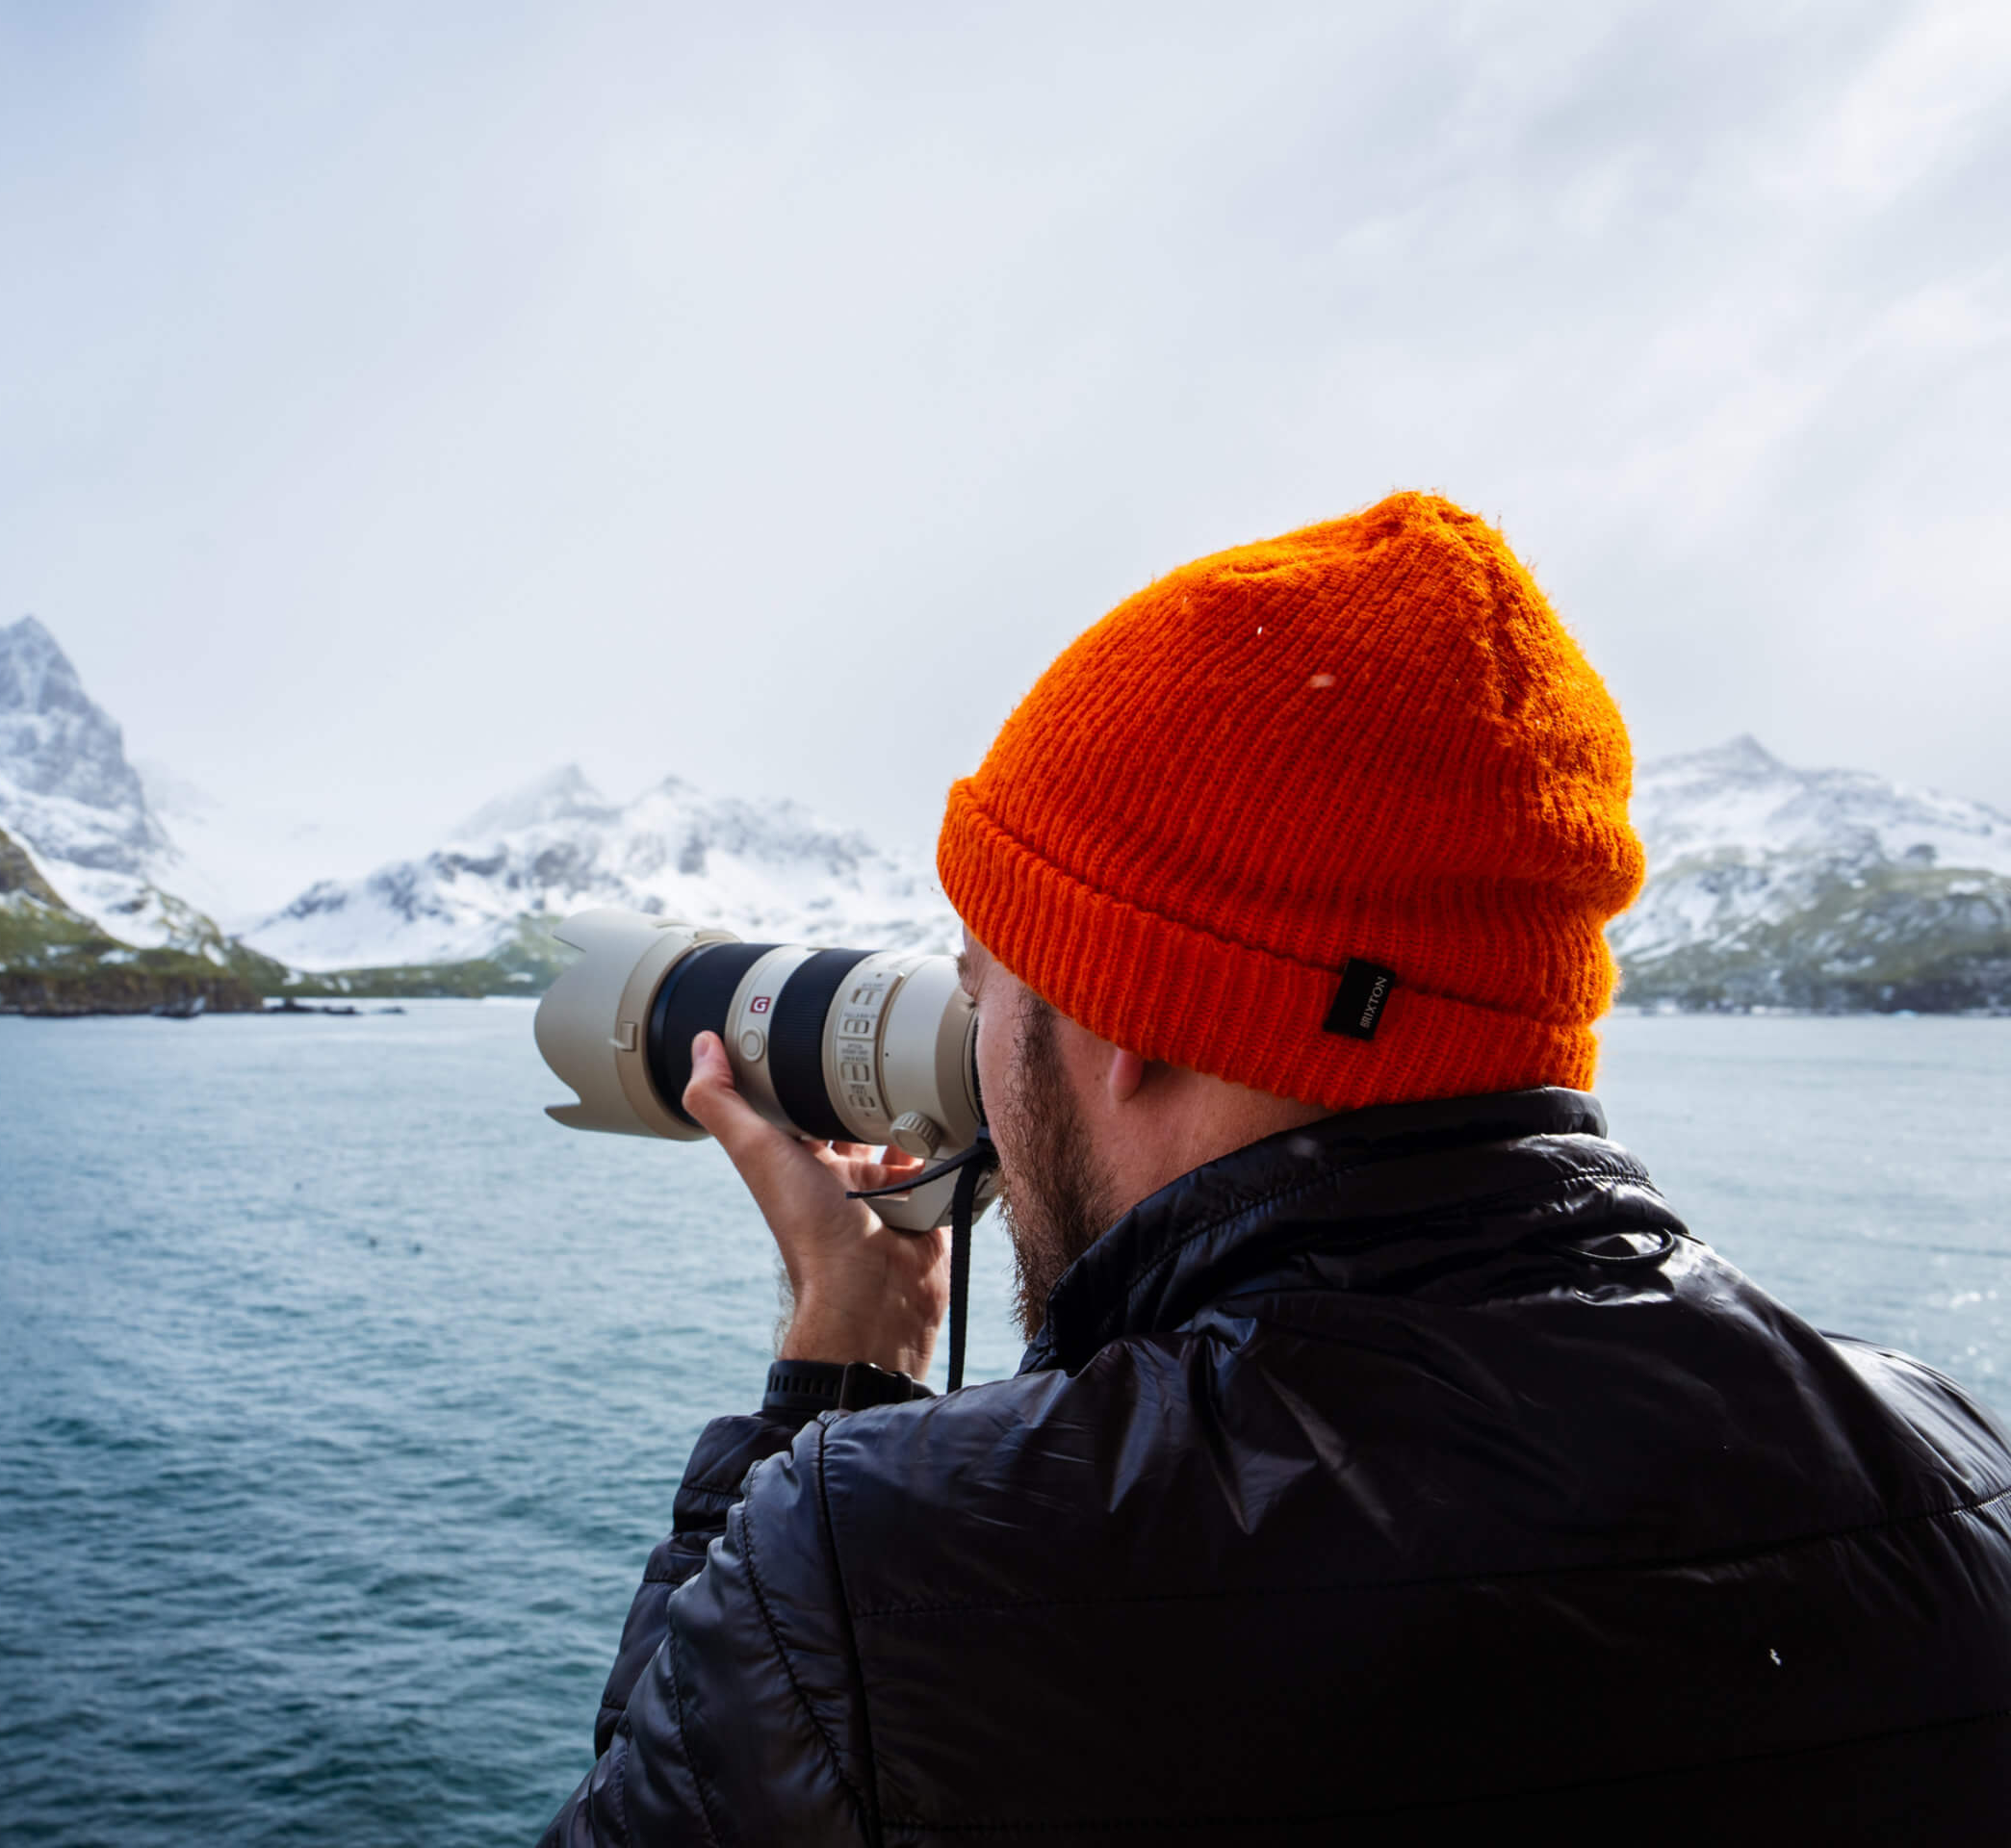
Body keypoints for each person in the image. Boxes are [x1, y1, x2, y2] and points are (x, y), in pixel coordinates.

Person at [540, 493, 2011, 1844]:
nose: (970, 1036)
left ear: (1132, 1020)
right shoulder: (1954, 1471)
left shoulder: (883, 1575)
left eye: (988, 983)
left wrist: (833, 1391)